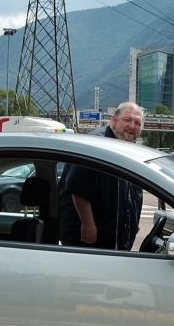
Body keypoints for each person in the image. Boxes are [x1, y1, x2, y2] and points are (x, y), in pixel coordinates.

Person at [59, 102, 145, 250]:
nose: (132, 125)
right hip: (90, 242)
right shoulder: (97, 145)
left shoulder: (125, 148)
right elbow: (77, 189)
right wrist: (88, 225)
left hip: (113, 240)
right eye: (127, 120)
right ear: (114, 120)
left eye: (137, 123)